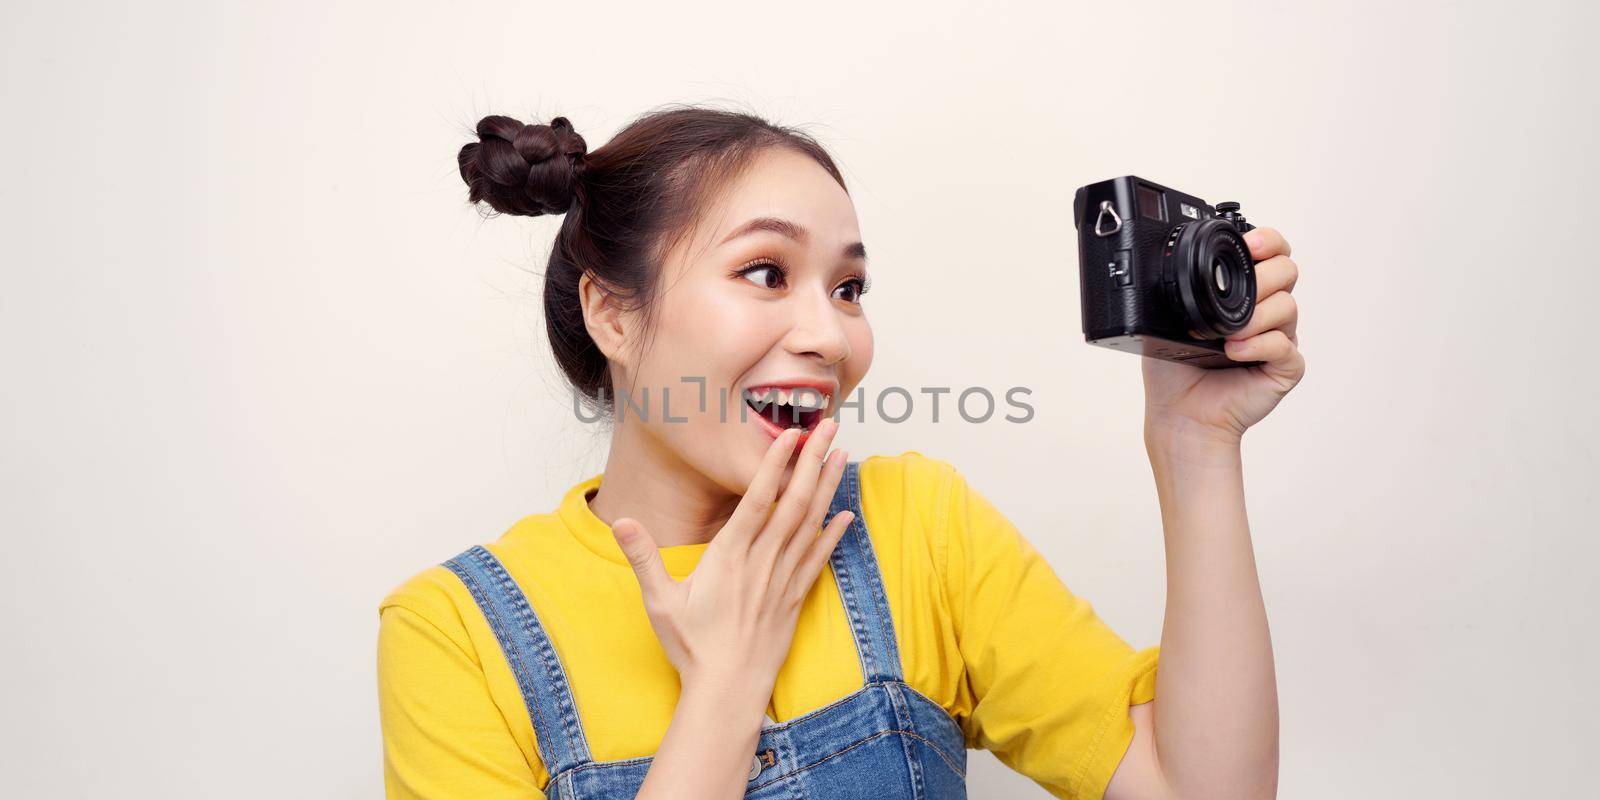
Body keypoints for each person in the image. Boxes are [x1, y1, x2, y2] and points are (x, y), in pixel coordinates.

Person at [376, 105, 1305, 800]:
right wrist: (724, 691)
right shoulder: (455, 633)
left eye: (850, 286)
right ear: (614, 313)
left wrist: (1195, 444)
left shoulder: (917, 527)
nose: (830, 335)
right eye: (765, 272)